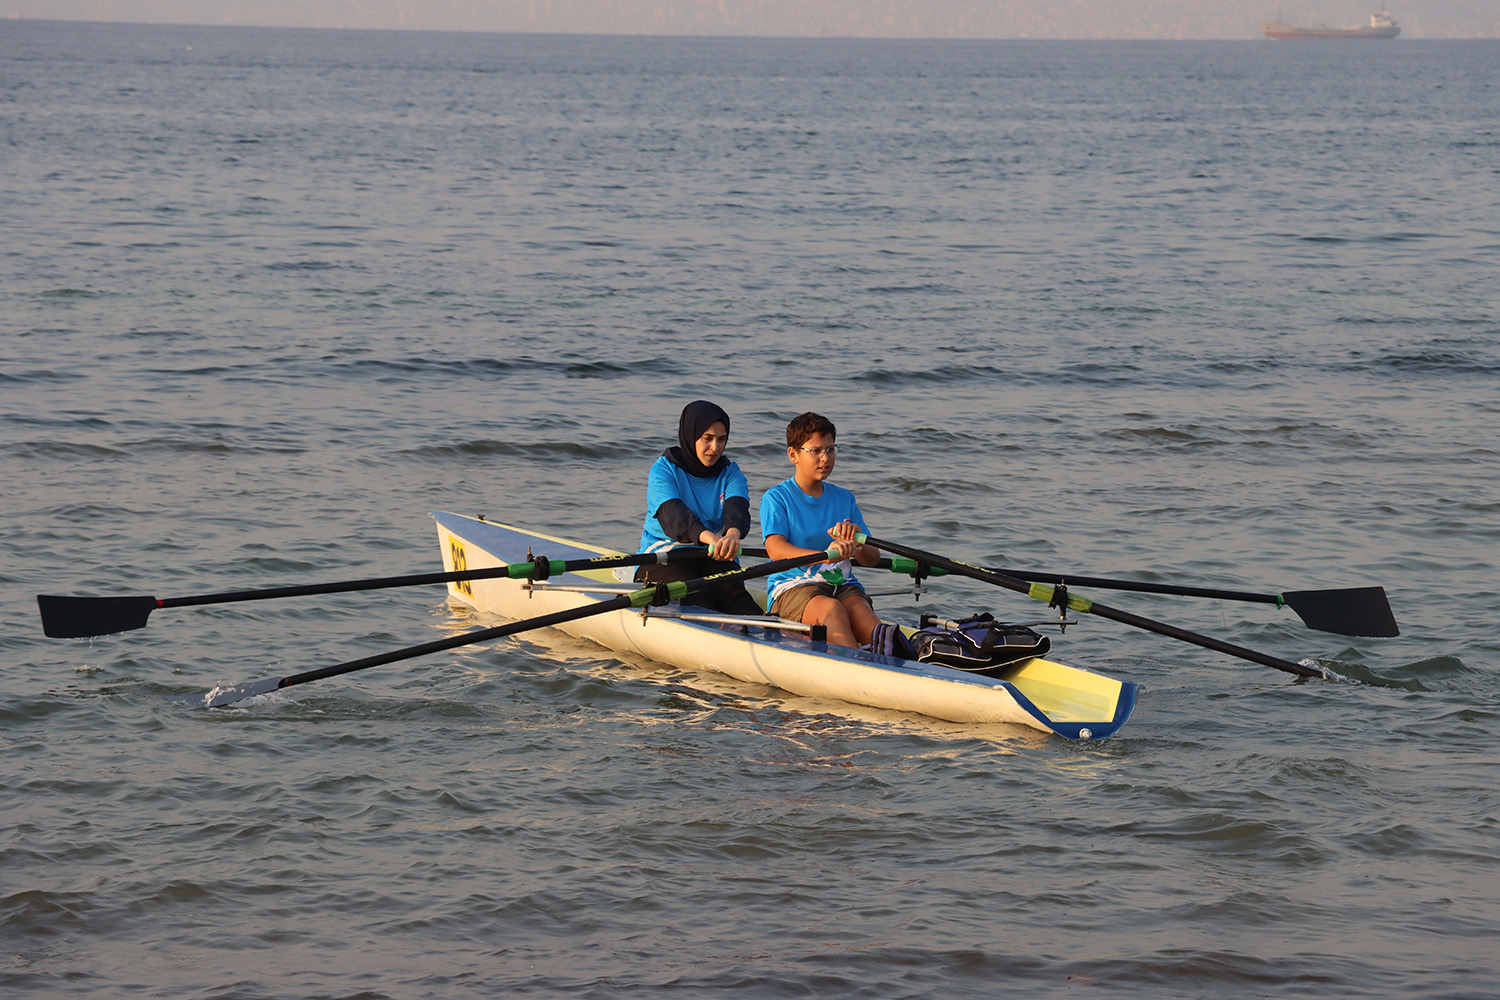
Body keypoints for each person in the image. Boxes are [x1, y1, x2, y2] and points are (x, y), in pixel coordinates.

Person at [759, 411, 881, 648]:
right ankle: (854, 664)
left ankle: (894, 659)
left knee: (865, 617)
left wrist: (858, 541)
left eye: (830, 449)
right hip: (793, 586)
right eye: (815, 451)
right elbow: (775, 550)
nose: (825, 458)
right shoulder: (777, 498)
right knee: (831, 609)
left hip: (843, 584)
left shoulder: (845, 498)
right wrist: (826, 556)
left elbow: (872, 559)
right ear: (793, 454)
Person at [635, 400, 764, 617]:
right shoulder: (663, 470)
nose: (715, 447)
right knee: (698, 597)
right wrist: (712, 538)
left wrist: (732, 535)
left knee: (737, 599)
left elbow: (737, 509)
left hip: (712, 555)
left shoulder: (731, 472)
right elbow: (674, 515)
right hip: (665, 556)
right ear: (691, 435)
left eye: (721, 439)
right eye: (707, 438)